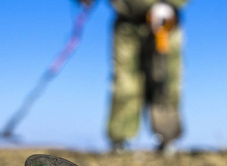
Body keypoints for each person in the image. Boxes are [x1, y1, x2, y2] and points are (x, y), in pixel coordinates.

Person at [79, 0, 189, 153]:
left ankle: (167, 139)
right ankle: (120, 141)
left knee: (164, 79)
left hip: (165, 20)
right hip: (126, 22)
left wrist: (171, 4)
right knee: (124, 82)